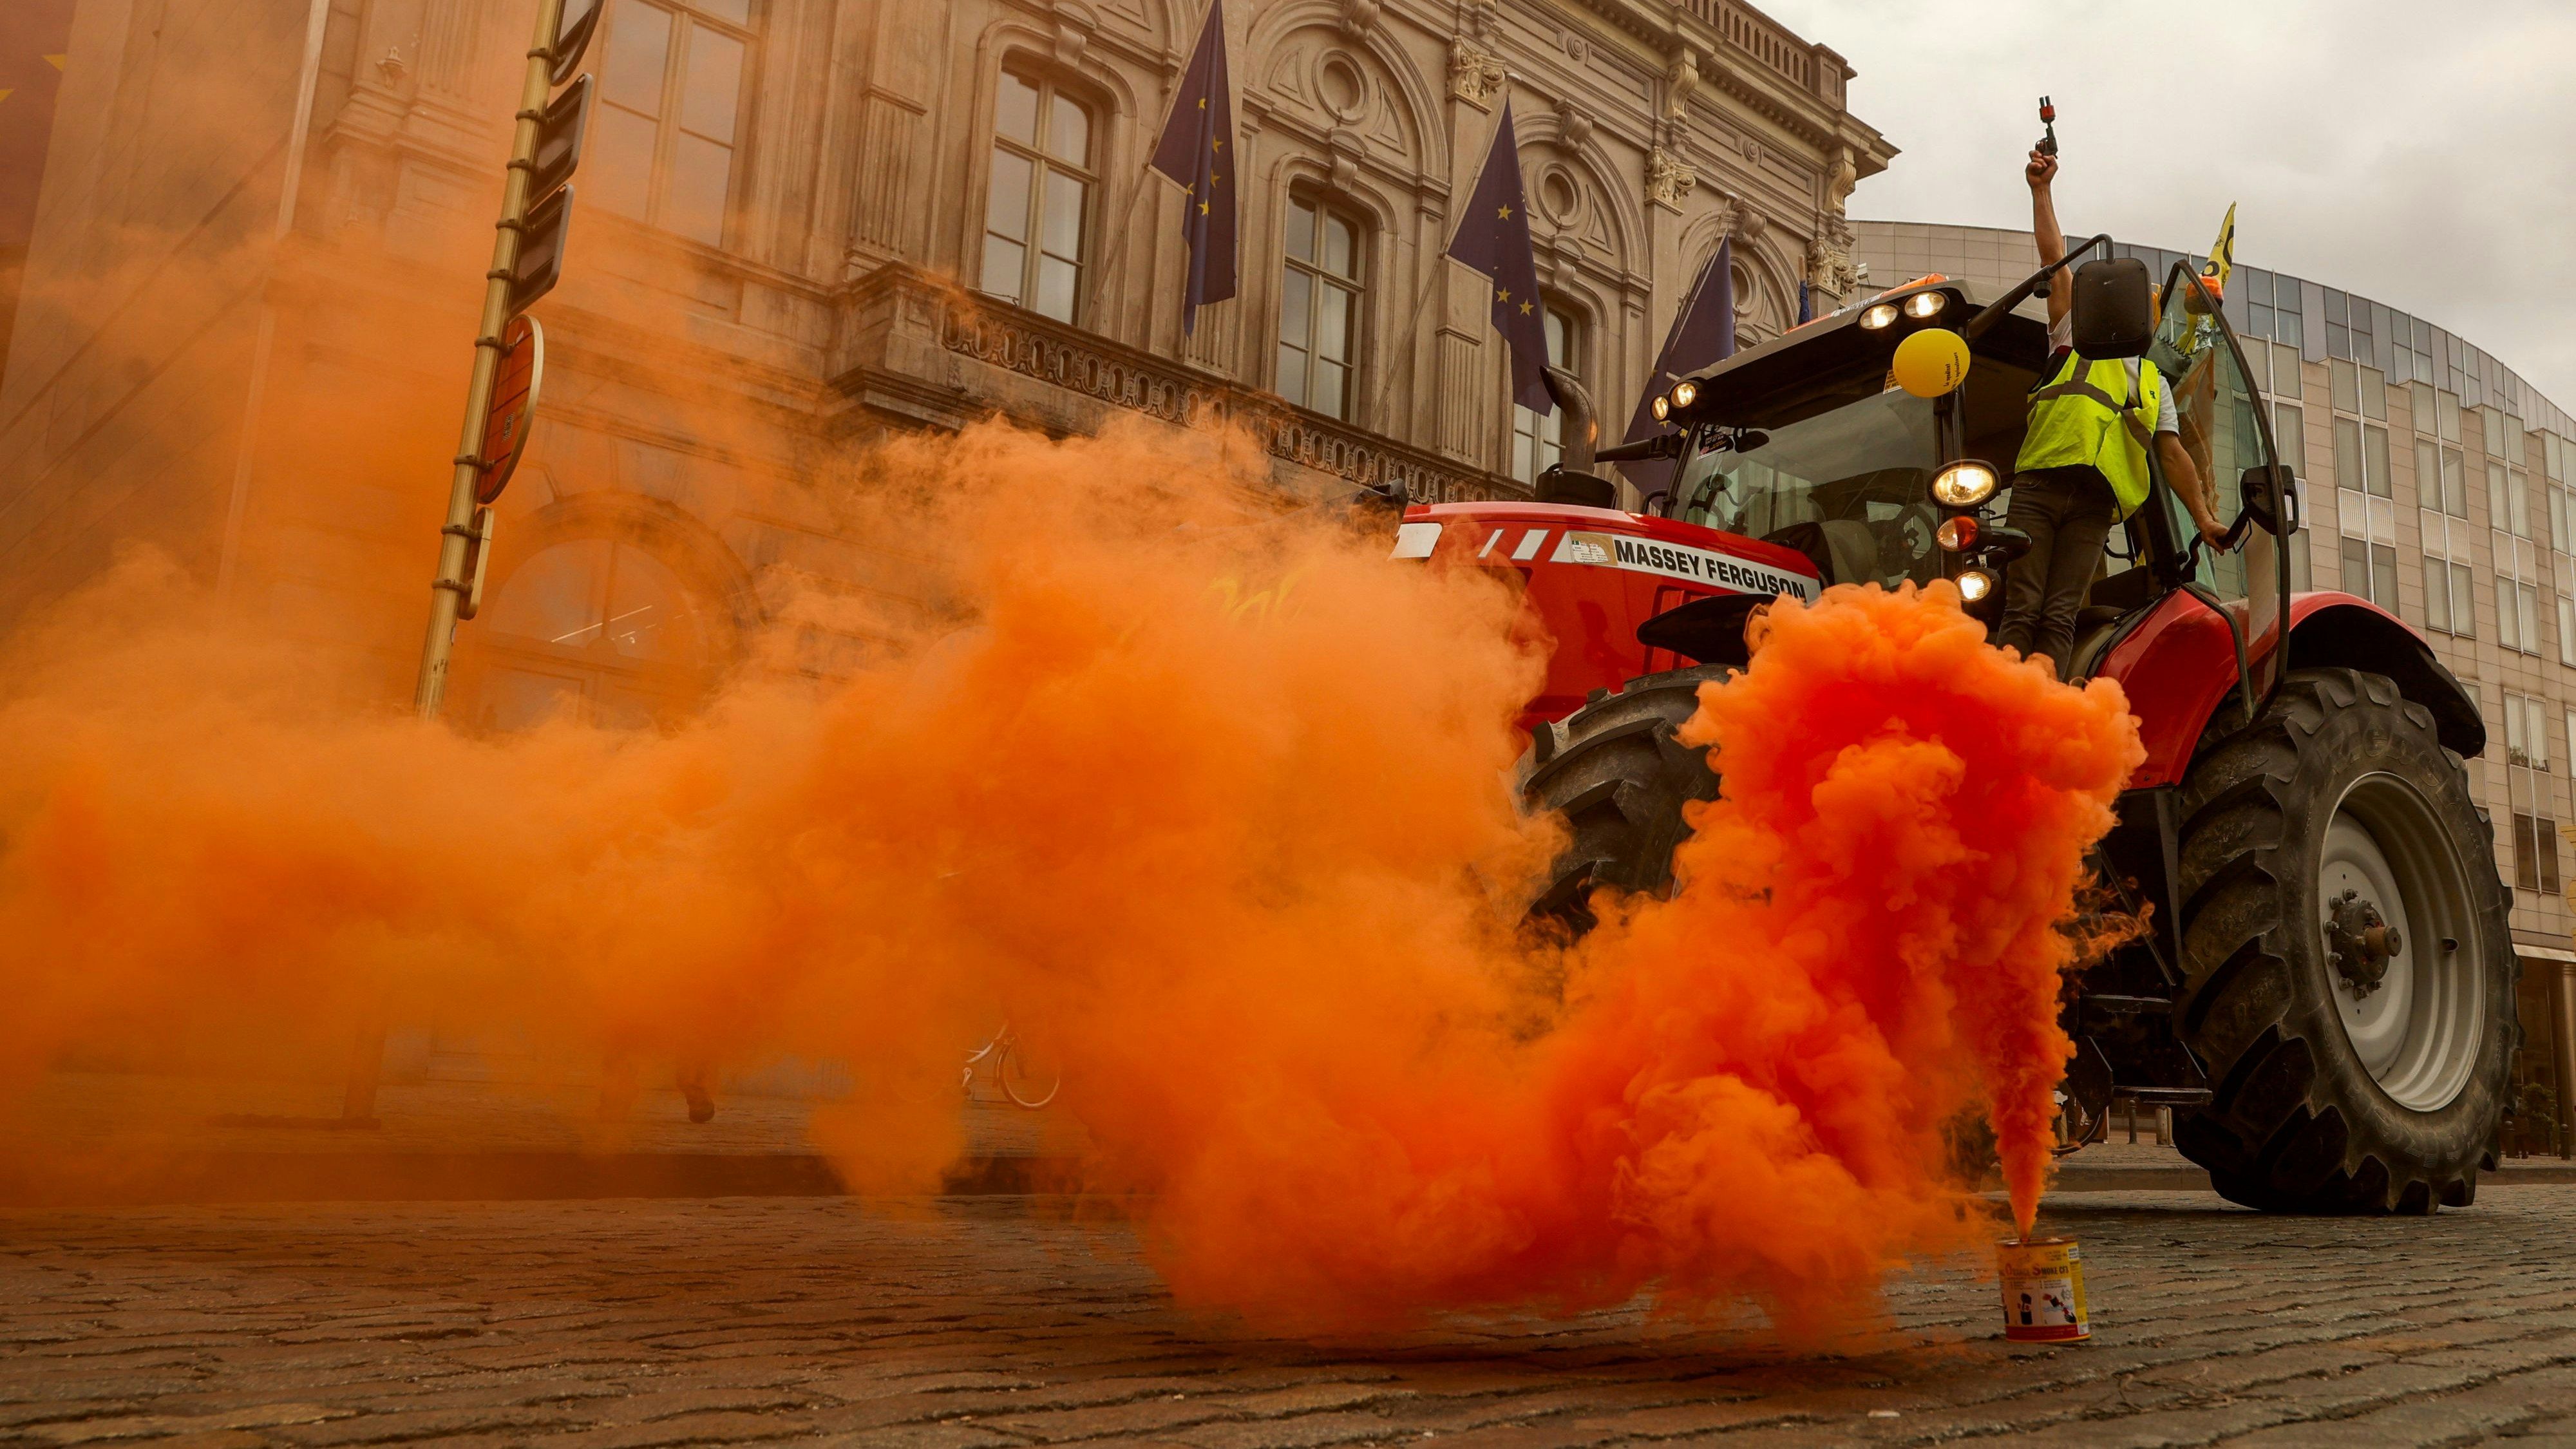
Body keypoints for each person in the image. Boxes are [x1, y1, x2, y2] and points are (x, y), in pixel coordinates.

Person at [1997, 149, 2230, 678]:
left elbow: (2173, 459)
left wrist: (2205, 519)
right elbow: (2054, 258)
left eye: (2149, 300)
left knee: (2059, 613)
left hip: (2095, 506)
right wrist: (2041, 192)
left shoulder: (2154, 384)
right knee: (2024, 605)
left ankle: (2043, 707)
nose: (2140, 303)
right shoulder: (2073, 334)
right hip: (2041, 486)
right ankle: (2003, 700)